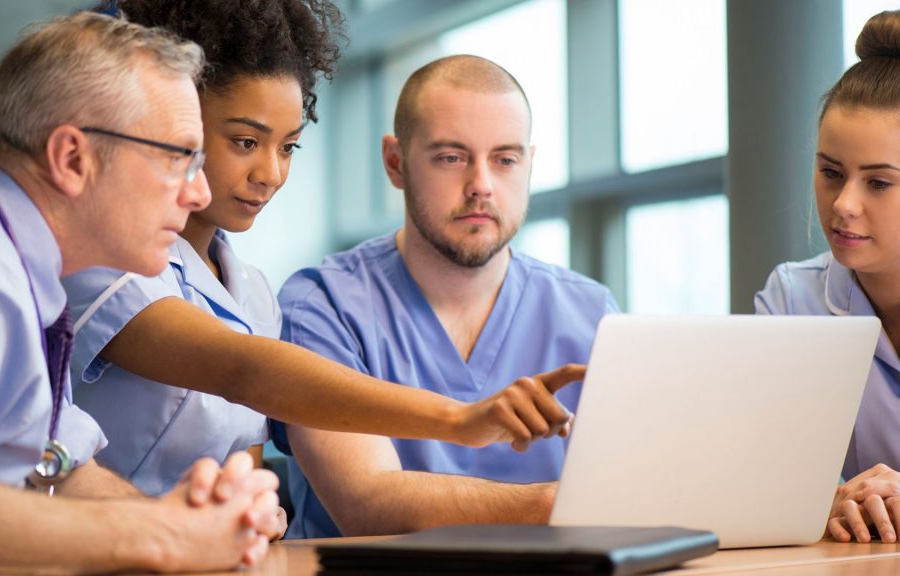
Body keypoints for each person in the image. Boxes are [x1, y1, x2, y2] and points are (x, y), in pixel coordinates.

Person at [64, 0, 584, 528]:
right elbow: (243, 371)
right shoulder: (102, 254)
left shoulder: (254, 295)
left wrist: (252, 516)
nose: (270, 173)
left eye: (288, 147)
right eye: (246, 142)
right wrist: (457, 418)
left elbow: (245, 475)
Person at [0, 13, 281, 573]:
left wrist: (199, 525)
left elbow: (57, 472)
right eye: (179, 158)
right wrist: (166, 537)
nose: (199, 192)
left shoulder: (18, 266)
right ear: (72, 159)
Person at [272, 54, 619, 538]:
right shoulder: (323, 305)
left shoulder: (592, 315)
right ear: (396, 163)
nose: (481, 185)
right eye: (451, 157)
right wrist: (559, 505)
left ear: (530, 165)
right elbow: (365, 501)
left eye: (505, 159)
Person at [755, 9, 900, 545]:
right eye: (831, 173)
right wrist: (829, 502)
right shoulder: (791, 298)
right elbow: (763, 472)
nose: (843, 205)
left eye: (879, 183)